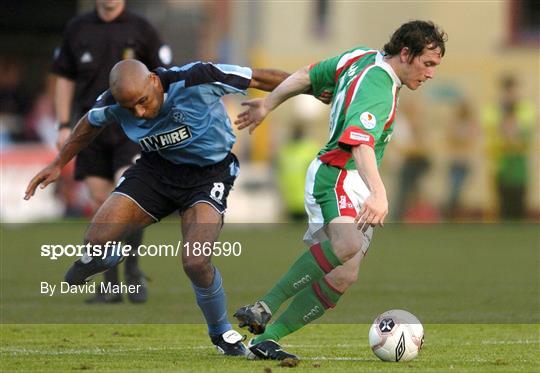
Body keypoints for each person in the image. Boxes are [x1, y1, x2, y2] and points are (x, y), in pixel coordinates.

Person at [24, 59, 301, 356]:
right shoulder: (113, 102)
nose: (140, 113)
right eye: (130, 109)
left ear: (154, 81)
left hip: (208, 175)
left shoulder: (196, 78)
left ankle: (221, 333)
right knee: (95, 241)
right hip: (156, 172)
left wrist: (310, 87)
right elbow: (89, 124)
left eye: (143, 102)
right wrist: (58, 163)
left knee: (195, 261)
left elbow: (260, 78)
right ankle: (108, 255)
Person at [233, 20, 447, 361]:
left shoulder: (361, 56)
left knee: (344, 276)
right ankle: (263, 307)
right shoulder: (379, 85)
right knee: (346, 245)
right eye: (428, 63)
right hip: (337, 175)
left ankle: (263, 341)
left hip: (354, 180)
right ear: (406, 54)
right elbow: (360, 144)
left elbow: (307, 74)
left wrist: (268, 103)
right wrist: (380, 194)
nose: (432, 73)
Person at [52, 0, 172, 303]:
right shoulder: (77, 29)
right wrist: (63, 124)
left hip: (131, 130)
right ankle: (111, 286)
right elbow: (64, 78)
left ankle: (132, 272)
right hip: (91, 128)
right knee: (101, 203)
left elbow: (164, 78)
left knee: (126, 193)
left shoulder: (141, 29)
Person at [482, 75, 535, 220]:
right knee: (502, 205)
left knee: (519, 203)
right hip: (499, 164)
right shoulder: (493, 109)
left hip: (519, 165)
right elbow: (490, 127)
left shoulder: (525, 108)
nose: (512, 94)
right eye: (509, 90)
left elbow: (525, 129)